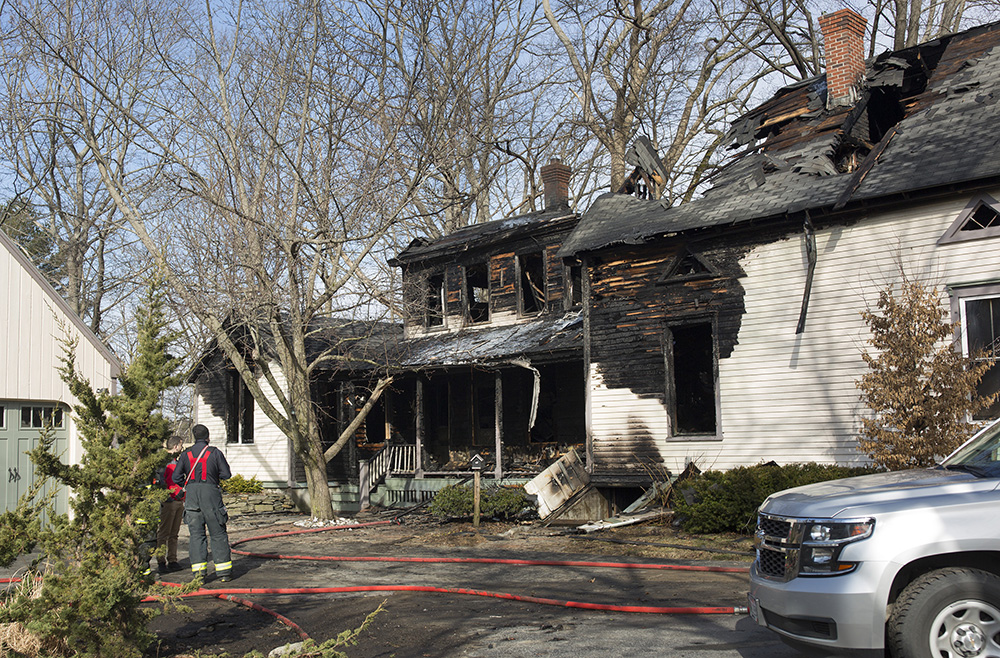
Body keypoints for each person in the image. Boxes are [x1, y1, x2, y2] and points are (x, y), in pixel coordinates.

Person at [172, 424, 234, 582]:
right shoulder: (214, 453)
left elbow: (175, 477)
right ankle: (223, 573)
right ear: (208, 437)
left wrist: (189, 483)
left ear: (194, 437)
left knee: (196, 536)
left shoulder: (186, 454)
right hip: (211, 495)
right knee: (218, 534)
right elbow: (226, 474)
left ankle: (199, 575)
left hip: (192, 497)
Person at [155, 436, 185, 573]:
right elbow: (163, 483)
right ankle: (161, 561)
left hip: (178, 501)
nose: (182, 448)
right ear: (175, 446)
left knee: (174, 533)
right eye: (181, 445)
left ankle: (172, 559)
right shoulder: (164, 463)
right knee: (164, 533)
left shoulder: (176, 462)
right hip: (169, 502)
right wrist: (169, 496)